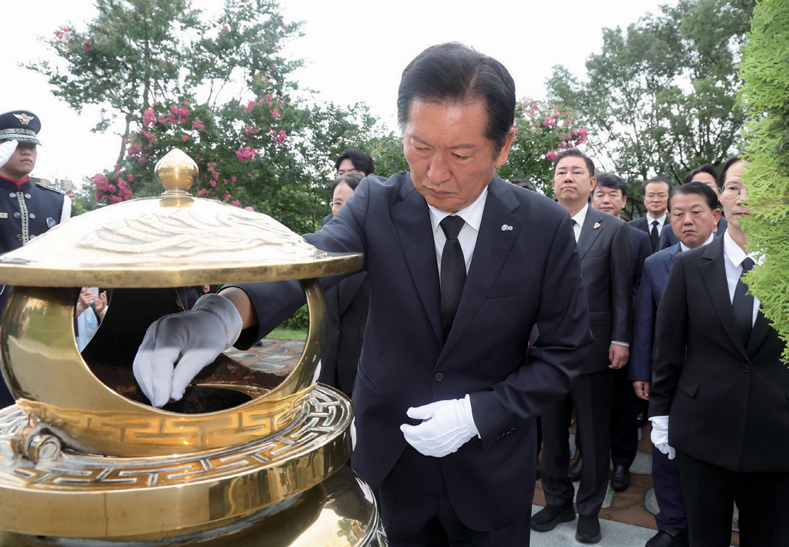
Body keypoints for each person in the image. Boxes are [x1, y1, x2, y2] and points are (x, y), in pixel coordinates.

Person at [132, 42, 593, 547]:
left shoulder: (543, 227)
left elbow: (565, 351)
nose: (435, 174)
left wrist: (478, 414)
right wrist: (223, 312)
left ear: (503, 147)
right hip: (389, 462)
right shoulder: (377, 204)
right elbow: (313, 261)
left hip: (491, 466)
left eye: (461, 154)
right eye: (420, 147)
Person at [649, 157, 789, 547]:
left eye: (758, 187)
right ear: (720, 197)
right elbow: (669, 348)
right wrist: (660, 414)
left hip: (776, 433)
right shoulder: (689, 266)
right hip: (702, 430)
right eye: (733, 188)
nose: (744, 197)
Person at [535, 150, 632, 544]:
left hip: (594, 349)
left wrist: (620, 338)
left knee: (592, 437)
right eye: (561, 172)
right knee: (552, 434)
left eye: (577, 171)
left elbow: (622, 291)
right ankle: (557, 501)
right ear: (553, 182)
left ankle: (589, 509)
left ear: (592, 183)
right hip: (546, 351)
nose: (568, 177)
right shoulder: (539, 224)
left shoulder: (611, 229)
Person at [629, 181, 721, 547]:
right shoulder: (656, 263)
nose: (687, 221)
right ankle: (671, 525)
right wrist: (641, 371)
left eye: (696, 212)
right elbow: (645, 322)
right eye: (678, 214)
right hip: (669, 376)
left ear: (716, 216)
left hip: (719, 377)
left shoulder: (735, 260)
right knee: (664, 452)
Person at [0, 110, 71, 414]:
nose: (27, 151)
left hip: (42, 320)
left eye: (32, 146)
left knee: (41, 409)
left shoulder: (56, 201)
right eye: (15, 144)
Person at [586, 172, 651, 493]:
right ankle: (584, 457)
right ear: (591, 198)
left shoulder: (638, 237)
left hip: (625, 333)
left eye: (613, 195)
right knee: (589, 407)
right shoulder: (579, 233)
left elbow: (641, 285)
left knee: (622, 405)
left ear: (624, 201)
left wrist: (622, 323)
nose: (606, 200)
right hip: (589, 338)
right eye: (600, 194)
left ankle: (623, 462)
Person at [320, 173, 369, 398]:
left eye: (351, 203)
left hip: (363, 359)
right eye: (337, 203)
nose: (342, 211)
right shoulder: (320, 247)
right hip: (325, 356)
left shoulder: (380, 245)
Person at [660, 164, 727, 248]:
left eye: (696, 212)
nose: (687, 221)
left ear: (719, 191)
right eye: (696, 186)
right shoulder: (669, 231)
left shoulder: (732, 228)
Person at [629, 177, 671, 253]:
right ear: (644, 199)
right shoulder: (630, 227)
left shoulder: (675, 227)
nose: (656, 200)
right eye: (651, 196)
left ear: (669, 199)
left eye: (661, 195)